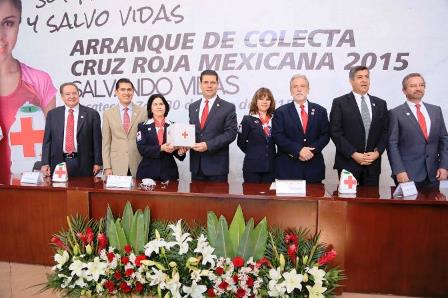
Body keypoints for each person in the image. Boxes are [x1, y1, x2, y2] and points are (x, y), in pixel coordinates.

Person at [0, 0, 56, 181]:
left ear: (19, 23)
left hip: (28, 190)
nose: (0, 35)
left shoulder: (39, 81)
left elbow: (54, 141)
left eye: (8, 23)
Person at [329, 66, 389, 186]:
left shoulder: (380, 104)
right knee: (347, 202)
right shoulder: (340, 103)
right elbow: (335, 132)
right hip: (348, 163)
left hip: (372, 164)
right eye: (360, 77)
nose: (364, 80)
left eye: (367, 77)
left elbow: (385, 131)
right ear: (351, 81)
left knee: (370, 202)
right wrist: (354, 154)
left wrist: (377, 153)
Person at [388, 73, 448, 187]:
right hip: (407, 174)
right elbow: (392, 144)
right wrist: (399, 170)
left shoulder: (436, 110)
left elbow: (444, 140)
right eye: (413, 85)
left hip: (434, 173)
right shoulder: (395, 113)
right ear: (404, 90)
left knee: (433, 205)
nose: (418, 88)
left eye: (421, 85)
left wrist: (444, 166)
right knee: (409, 205)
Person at [272, 74, 330, 183]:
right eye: (295, 86)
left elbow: (325, 135)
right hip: (288, 169)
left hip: (314, 168)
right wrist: (299, 150)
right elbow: (278, 136)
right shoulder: (281, 112)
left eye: (302, 86)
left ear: (308, 89)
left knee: (314, 200)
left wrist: (310, 151)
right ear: (291, 91)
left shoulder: (320, 111)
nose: (299, 89)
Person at [41, 83, 102, 177]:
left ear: (78, 94)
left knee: (83, 190)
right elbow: (47, 141)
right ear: (62, 96)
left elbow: (97, 141)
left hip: (84, 164)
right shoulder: (52, 114)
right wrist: (45, 162)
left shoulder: (91, 114)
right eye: (68, 94)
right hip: (58, 162)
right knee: (60, 190)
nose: (72, 96)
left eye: (74, 93)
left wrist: (98, 162)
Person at [188, 70, 237, 182]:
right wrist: (184, 144)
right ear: (200, 84)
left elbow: (231, 134)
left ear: (217, 84)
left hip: (217, 168)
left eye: (212, 82)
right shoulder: (192, 107)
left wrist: (208, 145)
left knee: (218, 200)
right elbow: (193, 132)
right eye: (205, 82)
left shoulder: (228, 107)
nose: (209, 86)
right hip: (197, 167)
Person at [136, 94, 187, 181]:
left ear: (165, 107)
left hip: (169, 173)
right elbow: (142, 149)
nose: (159, 107)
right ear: (150, 108)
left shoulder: (174, 126)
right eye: (155, 104)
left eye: (161, 104)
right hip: (148, 172)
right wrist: (161, 148)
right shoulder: (143, 126)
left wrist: (181, 152)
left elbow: (177, 152)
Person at [102, 78, 147, 177]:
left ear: (133, 92)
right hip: (116, 165)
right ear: (116, 92)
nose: (126, 92)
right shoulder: (108, 114)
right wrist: (107, 167)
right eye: (122, 90)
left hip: (138, 163)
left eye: (129, 89)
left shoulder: (143, 112)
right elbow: (106, 143)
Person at [237, 87, 276, 183]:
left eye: (267, 99)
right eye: (261, 99)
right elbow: (240, 142)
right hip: (252, 168)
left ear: (271, 102)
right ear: (256, 101)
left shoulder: (275, 120)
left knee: (269, 197)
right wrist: (253, 153)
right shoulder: (247, 120)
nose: (264, 102)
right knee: (251, 197)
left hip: (271, 167)